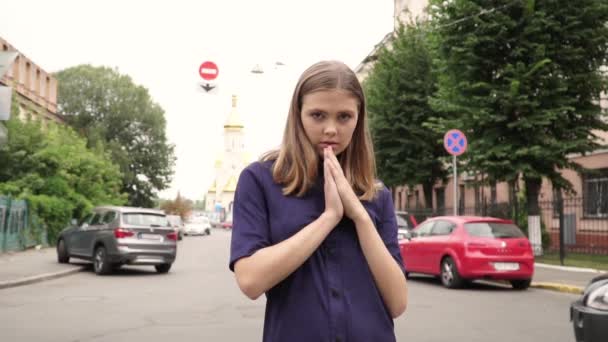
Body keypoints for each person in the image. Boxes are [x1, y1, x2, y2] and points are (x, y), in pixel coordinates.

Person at [229, 60, 408, 342]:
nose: (331, 129)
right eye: (318, 115)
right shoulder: (261, 180)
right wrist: (329, 217)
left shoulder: (376, 194)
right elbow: (251, 280)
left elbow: (397, 303)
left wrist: (360, 217)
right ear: (298, 115)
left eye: (344, 117)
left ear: (358, 119)